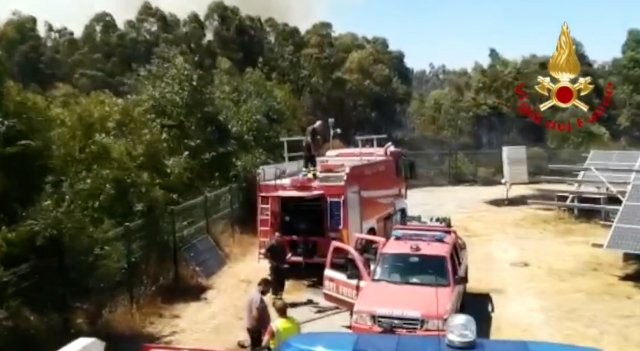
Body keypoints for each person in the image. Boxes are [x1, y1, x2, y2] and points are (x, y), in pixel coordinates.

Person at [246, 278, 272, 351]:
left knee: (254, 347)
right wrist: (263, 327)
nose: (268, 291)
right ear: (263, 286)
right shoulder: (258, 298)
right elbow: (255, 315)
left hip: (252, 327)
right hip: (256, 329)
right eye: (268, 288)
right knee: (257, 349)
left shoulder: (253, 293)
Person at [264, 232, 287, 299]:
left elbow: (284, 254)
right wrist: (270, 260)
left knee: (282, 280)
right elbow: (265, 252)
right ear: (275, 237)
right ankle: (274, 296)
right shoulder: (271, 244)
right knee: (274, 279)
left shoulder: (282, 245)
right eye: (277, 236)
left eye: (280, 237)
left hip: (281, 265)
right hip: (274, 265)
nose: (278, 238)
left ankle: (280, 294)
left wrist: (284, 263)